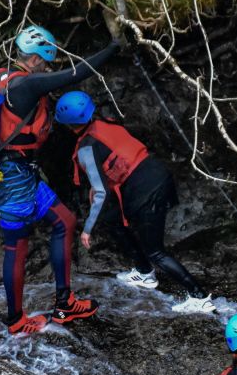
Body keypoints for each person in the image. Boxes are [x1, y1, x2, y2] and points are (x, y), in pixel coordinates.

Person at [0, 25, 119, 334]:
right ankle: (16, 320)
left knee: (64, 222)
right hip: (11, 179)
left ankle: (65, 302)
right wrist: (114, 46)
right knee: (17, 245)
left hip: (20, 174)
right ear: (38, 58)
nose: (47, 66)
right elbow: (76, 73)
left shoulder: (2, 76)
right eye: (46, 60)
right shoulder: (26, 85)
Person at [54, 90, 215, 313]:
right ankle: (144, 272)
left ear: (66, 124)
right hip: (157, 174)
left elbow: (101, 194)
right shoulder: (104, 124)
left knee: (156, 251)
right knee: (112, 220)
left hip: (147, 192)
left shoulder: (85, 149)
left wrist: (87, 230)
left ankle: (199, 297)